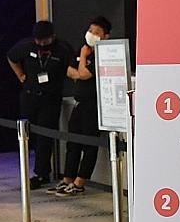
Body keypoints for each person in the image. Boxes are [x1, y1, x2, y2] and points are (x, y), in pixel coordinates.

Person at [53, 16, 112, 195]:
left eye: (96, 32)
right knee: (73, 143)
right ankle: (67, 178)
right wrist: (80, 66)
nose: (91, 35)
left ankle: (80, 182)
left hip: (94, 105)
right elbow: (71, 72)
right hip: (79, 103)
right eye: (90, 30)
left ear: (105, 36)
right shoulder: (83, 52)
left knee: (89, 144)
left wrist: (83, 59)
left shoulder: (102, 55)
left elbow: (83, 74)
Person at [7, 20, 68, 189]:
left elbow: (70, 66)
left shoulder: (61, 48)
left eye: (45, 41)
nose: (41, 44)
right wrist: (20, 75)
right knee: (30, 134)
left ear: (52, 37)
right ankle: (30, 167)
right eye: (38, 41)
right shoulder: (26, 46)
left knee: (45, 136)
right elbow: (11, 57)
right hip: (29, 96)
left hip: (50, 98)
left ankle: (41, 173)